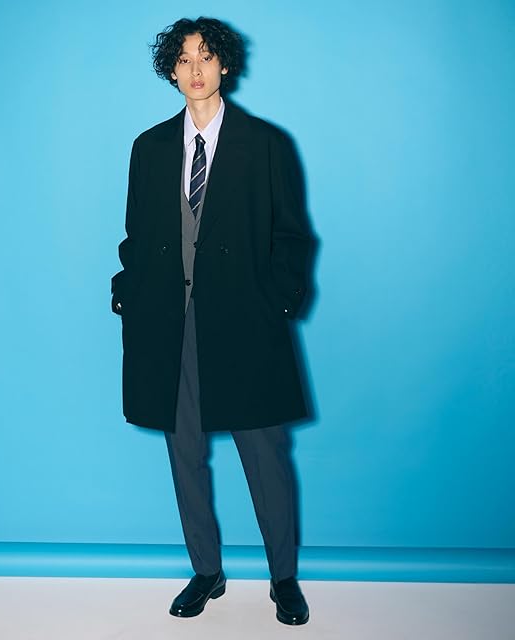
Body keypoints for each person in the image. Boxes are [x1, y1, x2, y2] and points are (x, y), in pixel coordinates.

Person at [112, 16, 314, 626]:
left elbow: (291, 235)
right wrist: (127, 293)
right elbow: (137, 236)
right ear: (171, 72)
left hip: (246, 325)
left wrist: (278, 303)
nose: (195, 69)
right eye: (183, 59)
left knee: (266, 455)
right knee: (185, 455)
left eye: (205, 56)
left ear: (224, 64)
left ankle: (284, 579)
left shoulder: (266, 144)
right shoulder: (149, 148)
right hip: (168, 326)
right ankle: (206, 571)